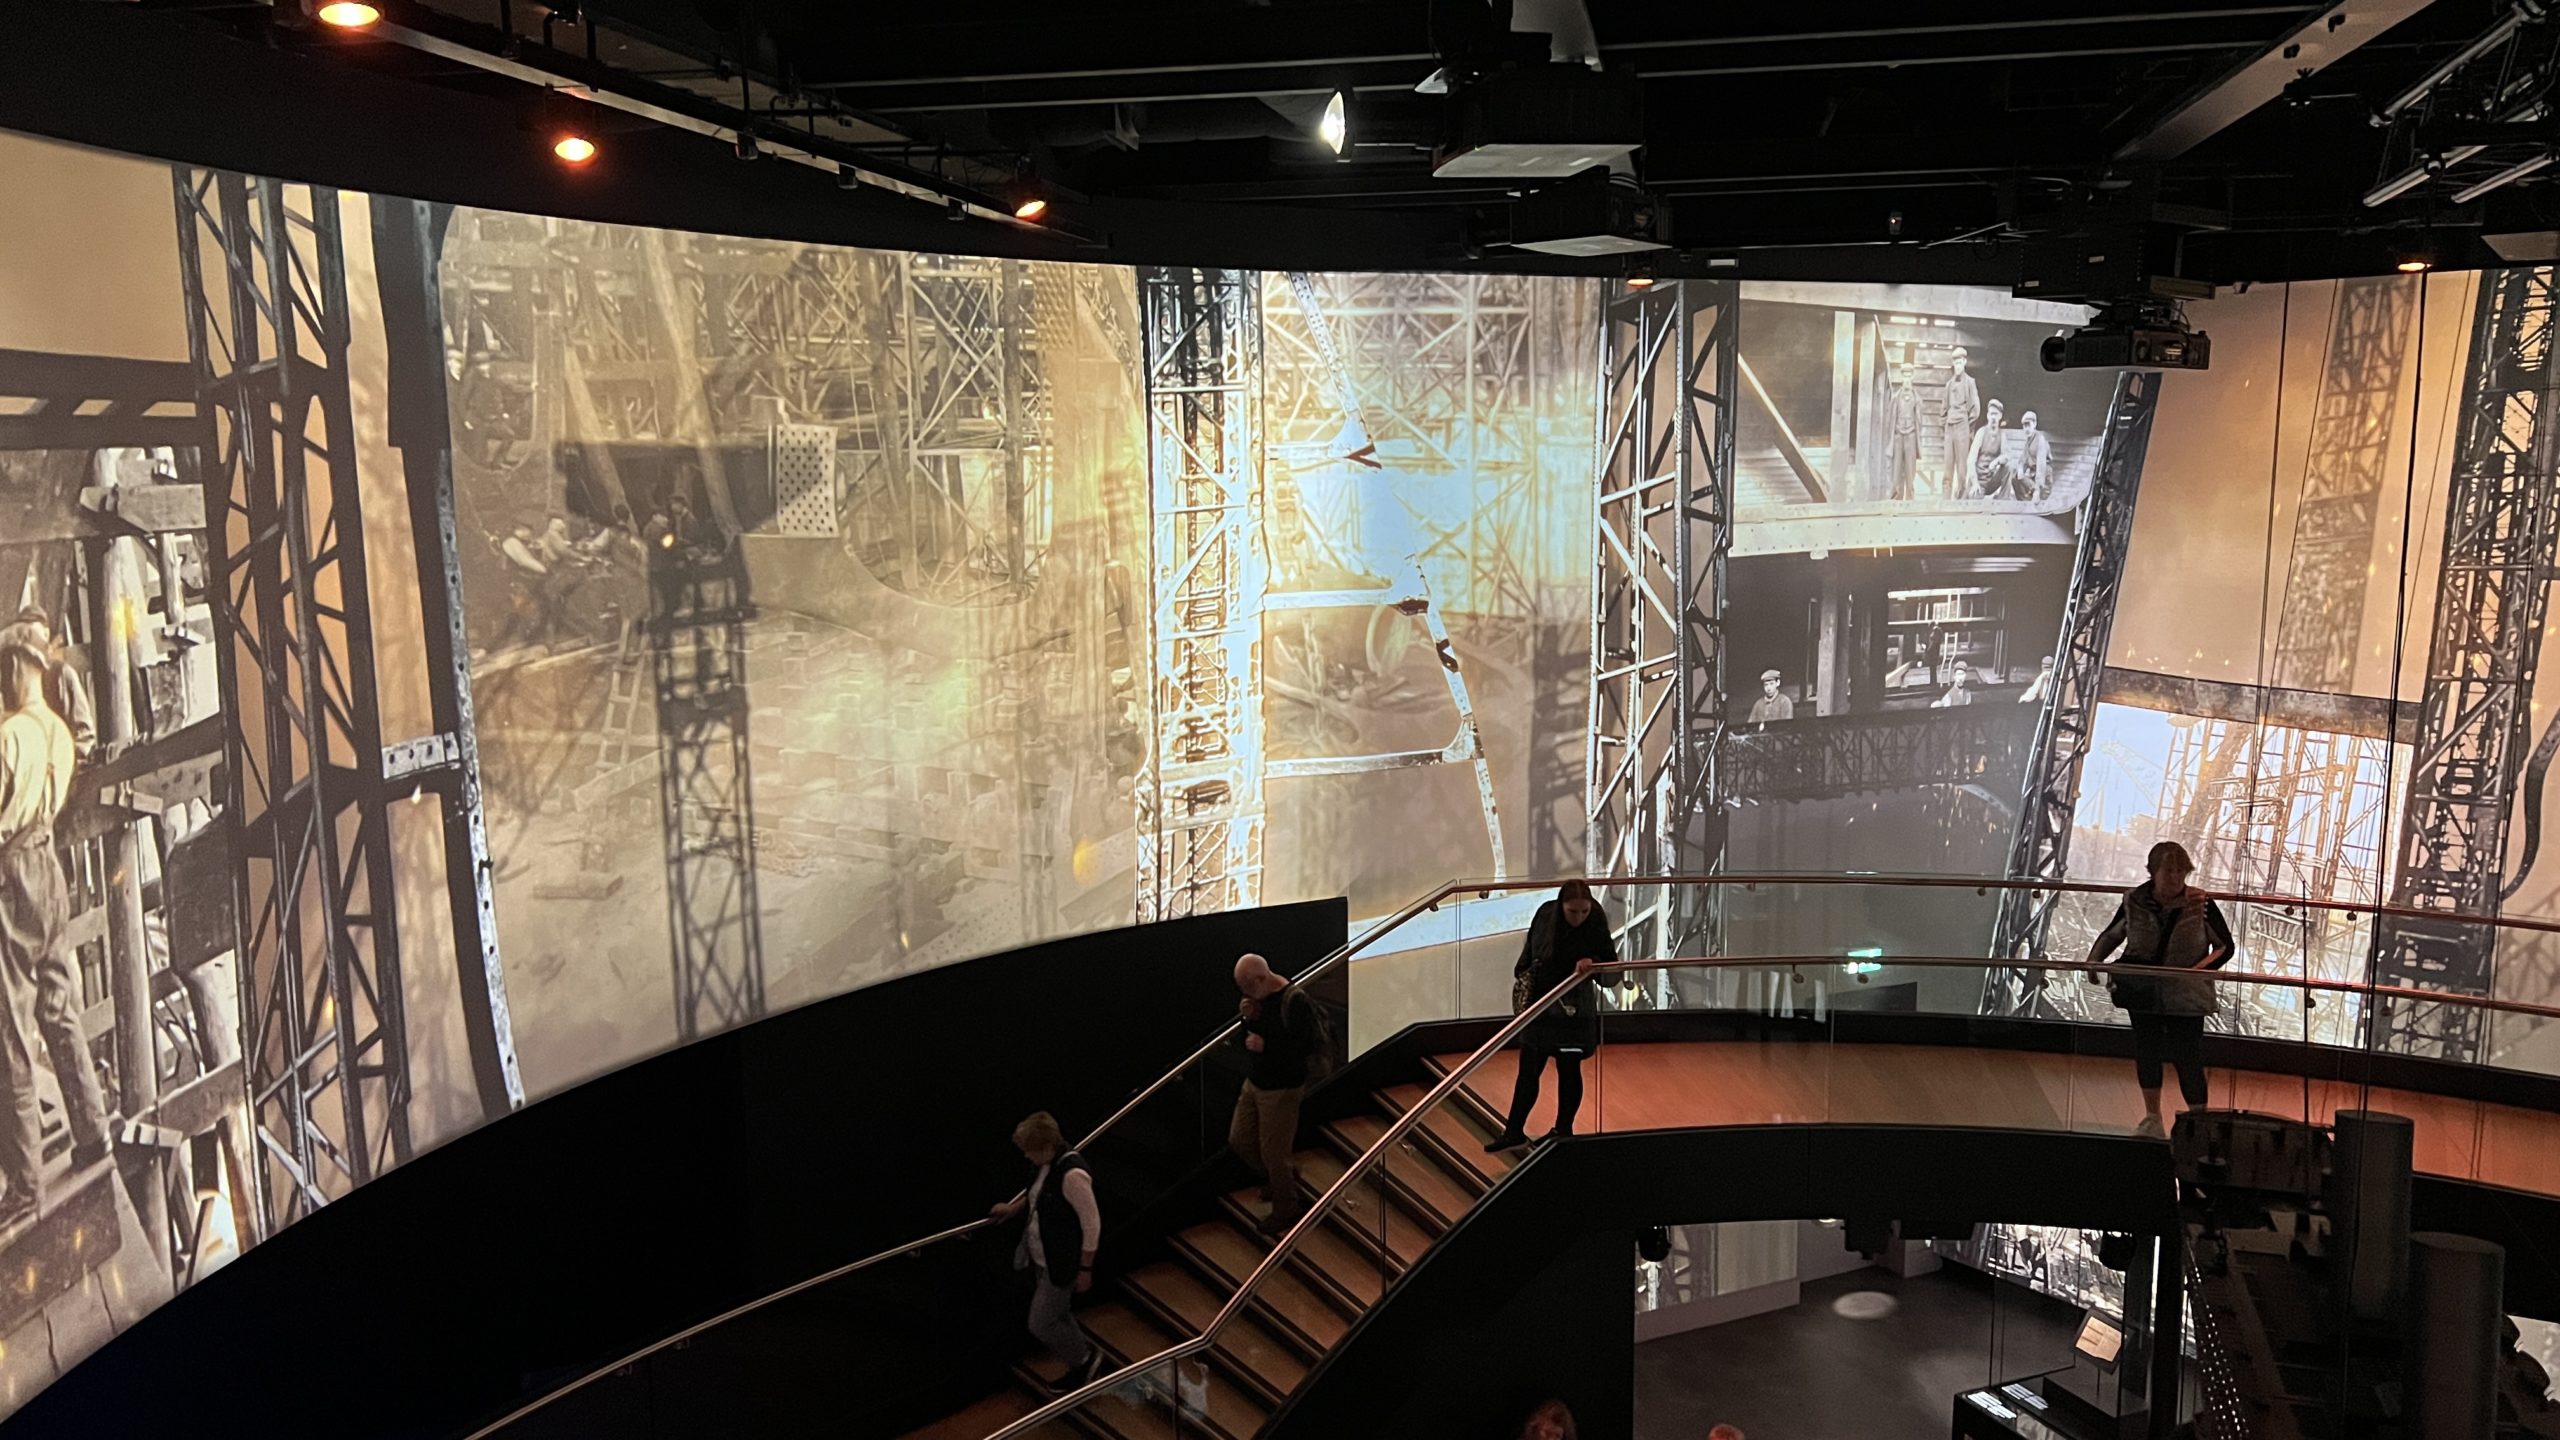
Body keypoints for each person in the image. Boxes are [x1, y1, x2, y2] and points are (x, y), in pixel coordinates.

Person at [0, 624, 112, 1225]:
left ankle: (23, 1188)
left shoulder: (10, 735)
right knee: (58, 1005)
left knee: (12, 1031)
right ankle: (93, 1132)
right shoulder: (60, 734)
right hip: (48, 869)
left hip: (13, 873)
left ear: (20, 665)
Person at [2086, 841, 2236, 1138]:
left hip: (2185, 995)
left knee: (2188, 1055)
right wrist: (2093, 961)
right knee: (2147, 1050)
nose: (2175, 877)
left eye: (2180, 871)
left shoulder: (2201, 903)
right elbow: (2113, 933)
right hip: (2142, 989)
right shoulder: (2134, 901)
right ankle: (2153, 1117)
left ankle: (2198, 1123)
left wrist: (2194, 974)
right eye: (2169, 871)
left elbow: (2224, 946)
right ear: (2153, 871)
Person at [1487, 880, 1616, 1151]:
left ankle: (1562, 1129)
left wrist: (1594, 963)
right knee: (1528, 1071)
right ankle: (1513, 1131)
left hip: (1573, 1012)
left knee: (1568, 1070)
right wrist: (1524, 975)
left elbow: (1611, 972)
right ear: (1561, 906)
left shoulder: (1595, 921)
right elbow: (1530, 952)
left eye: (1584, 911)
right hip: (1541, 1006)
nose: (1579, 917)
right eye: (1573, 911)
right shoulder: (1546, 914)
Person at [989, 1112, 1108, 1390]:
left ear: (1045, 1147)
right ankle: (1085, 1356)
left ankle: (1083, 1361)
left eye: (1029, 1150)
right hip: (1044, 1259)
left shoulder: (1072, 1175)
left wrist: (1085, 1268)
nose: (1026, 1156)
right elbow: (1037, 1194)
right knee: (1058, 1313)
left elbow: (1092, 1225)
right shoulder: (1045, 1166)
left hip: (1061, 1263)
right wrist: (1013, 1209)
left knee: (1040, 1322)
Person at [1231, 952, 1320, 1235]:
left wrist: (1266, 1046)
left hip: (1281, 1088)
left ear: (1261, 978)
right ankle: (1282, 1178)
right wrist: (1248, 1019)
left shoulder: (1294, 1002)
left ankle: (1286, 1206)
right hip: (1256, 1082)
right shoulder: (1258, 1000)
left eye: (1247, 986)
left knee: (1274, 1152)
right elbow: (1249, 1038)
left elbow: (1304, 1048)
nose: (1246, 993)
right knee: (1240, 1139)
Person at [1938, 346, 1980, 496]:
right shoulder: (1949, 385)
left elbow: (1975, 409)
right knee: (1947, 467)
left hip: (1963, 427)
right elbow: (1943, 410)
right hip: (1950, 428)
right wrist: (1945, 426)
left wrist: (1968, 427)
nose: (1958, 366)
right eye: (1955, 363)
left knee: (1962, 469)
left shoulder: (1970, 382)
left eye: (1960, 362)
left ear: (1965, 362)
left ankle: (1961, 499)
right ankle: (1945, 500)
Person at [1966, 398, 2023, 499]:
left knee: (2008, 467)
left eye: (1996, 414)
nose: (1993, 417)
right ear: (1987, 415)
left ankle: (2003, 499)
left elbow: (2007, 455)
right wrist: (1974, 482)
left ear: (2000, 416)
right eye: (1991, 414)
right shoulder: (1981, 432)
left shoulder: (2001, 435)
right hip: (1979, 481)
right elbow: (1971, 460)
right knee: (1974, 501)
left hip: (1992, 479)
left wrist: (1997, 461)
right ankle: (1975, 492)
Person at [1887, 367, 1921, 501]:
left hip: (1911, 436)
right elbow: (1890, 419)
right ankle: (1896, 499)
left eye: (1909, 376)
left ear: (1912, 377)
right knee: (1896, 471)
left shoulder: (1917, 398)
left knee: (1910, 471)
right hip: (1898, 437)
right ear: (1901, 378)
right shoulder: (1896, 397)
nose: (1906, 380)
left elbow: (1919, 421)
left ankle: (1910, 501)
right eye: (1904, 376)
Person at [2016, 408, 2054, 500]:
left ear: (2035, 424)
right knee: (2015, 475)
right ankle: (2024, 500)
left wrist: (2037, 489)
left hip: (2044, 481)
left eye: (2028, 425)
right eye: (2024, 426)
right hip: (2033, 478)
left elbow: (2041, 467)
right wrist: (2020, 469)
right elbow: (2023, 460)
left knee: (2037, 496)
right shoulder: (2028, 442)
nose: (2026, 429)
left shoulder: (2040, 440)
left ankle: (2035, 495)